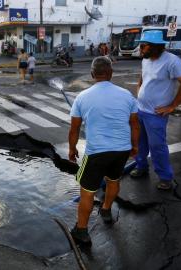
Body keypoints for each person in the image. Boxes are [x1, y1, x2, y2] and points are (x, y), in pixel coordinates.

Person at [68, 56, 139, 245]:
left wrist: (72, 149)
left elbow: (74, 129)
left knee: (87, 191)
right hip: (121, 150)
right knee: (113, 180)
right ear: (111, 73)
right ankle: (106, 209)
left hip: (97, 153)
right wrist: (135, 146)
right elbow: (134, 124)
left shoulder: (82, 97)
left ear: (92, 74)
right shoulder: (127, 95)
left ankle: (81, 230)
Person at [130, 30, 181, 190]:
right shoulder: (146, 60)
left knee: (157, 146)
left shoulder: (172, 61)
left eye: (143, 46)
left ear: (155, 46)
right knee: (139, 142)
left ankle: (165, 177)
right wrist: (140, 90)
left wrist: (172, 105)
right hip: (140, 110)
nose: (140, 49)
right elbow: (143, 77)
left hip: (156, 114)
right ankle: (141, 167)